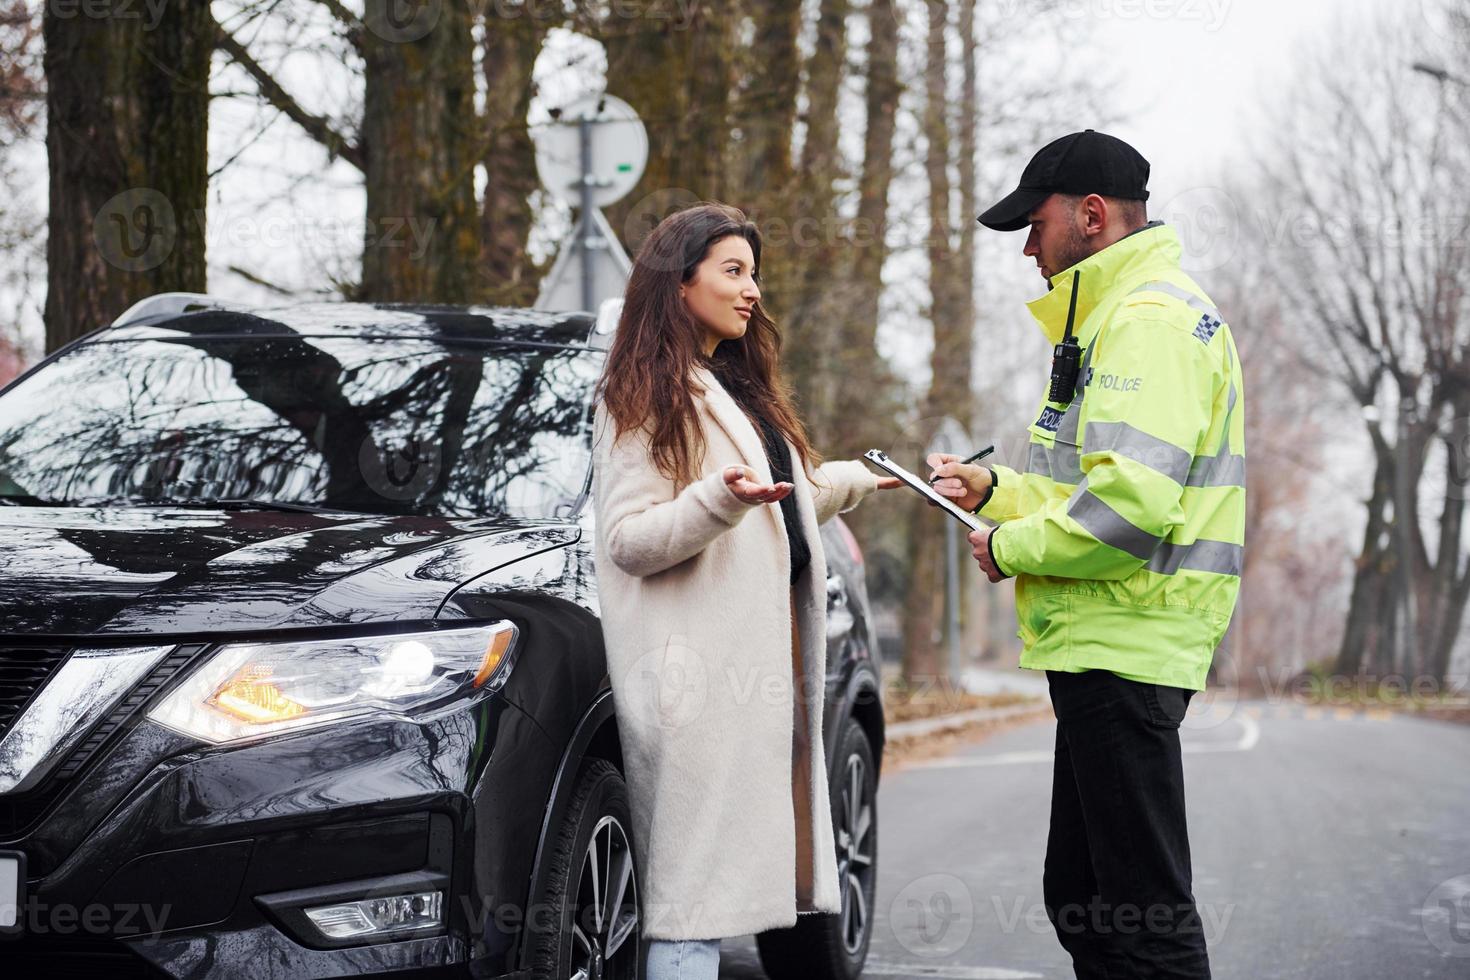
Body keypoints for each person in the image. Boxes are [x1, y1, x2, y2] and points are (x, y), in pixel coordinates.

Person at [928, 130, 1245, 979]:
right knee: (1086, 895)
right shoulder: (1123, 318)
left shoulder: (1147, 325)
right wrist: (993, 495)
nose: (1028, 249)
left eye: (1034, 226)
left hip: (1127, 647)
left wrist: (1006, 546)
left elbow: (1125, 515)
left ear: (1092, 216)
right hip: (1109, 645)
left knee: (1143, 913)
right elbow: (1090, 490)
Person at [591, 202, 899, 979]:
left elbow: (785, 497)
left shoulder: (730, 387)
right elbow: (627, 540)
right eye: (734, 271)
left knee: (717, 902)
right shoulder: (643, 392)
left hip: (752, 683)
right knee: (691, 907)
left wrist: (869, 477)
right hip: (693, 685)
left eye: (754, 273)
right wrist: (715, 501)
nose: (751, 289)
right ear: (679, 281)